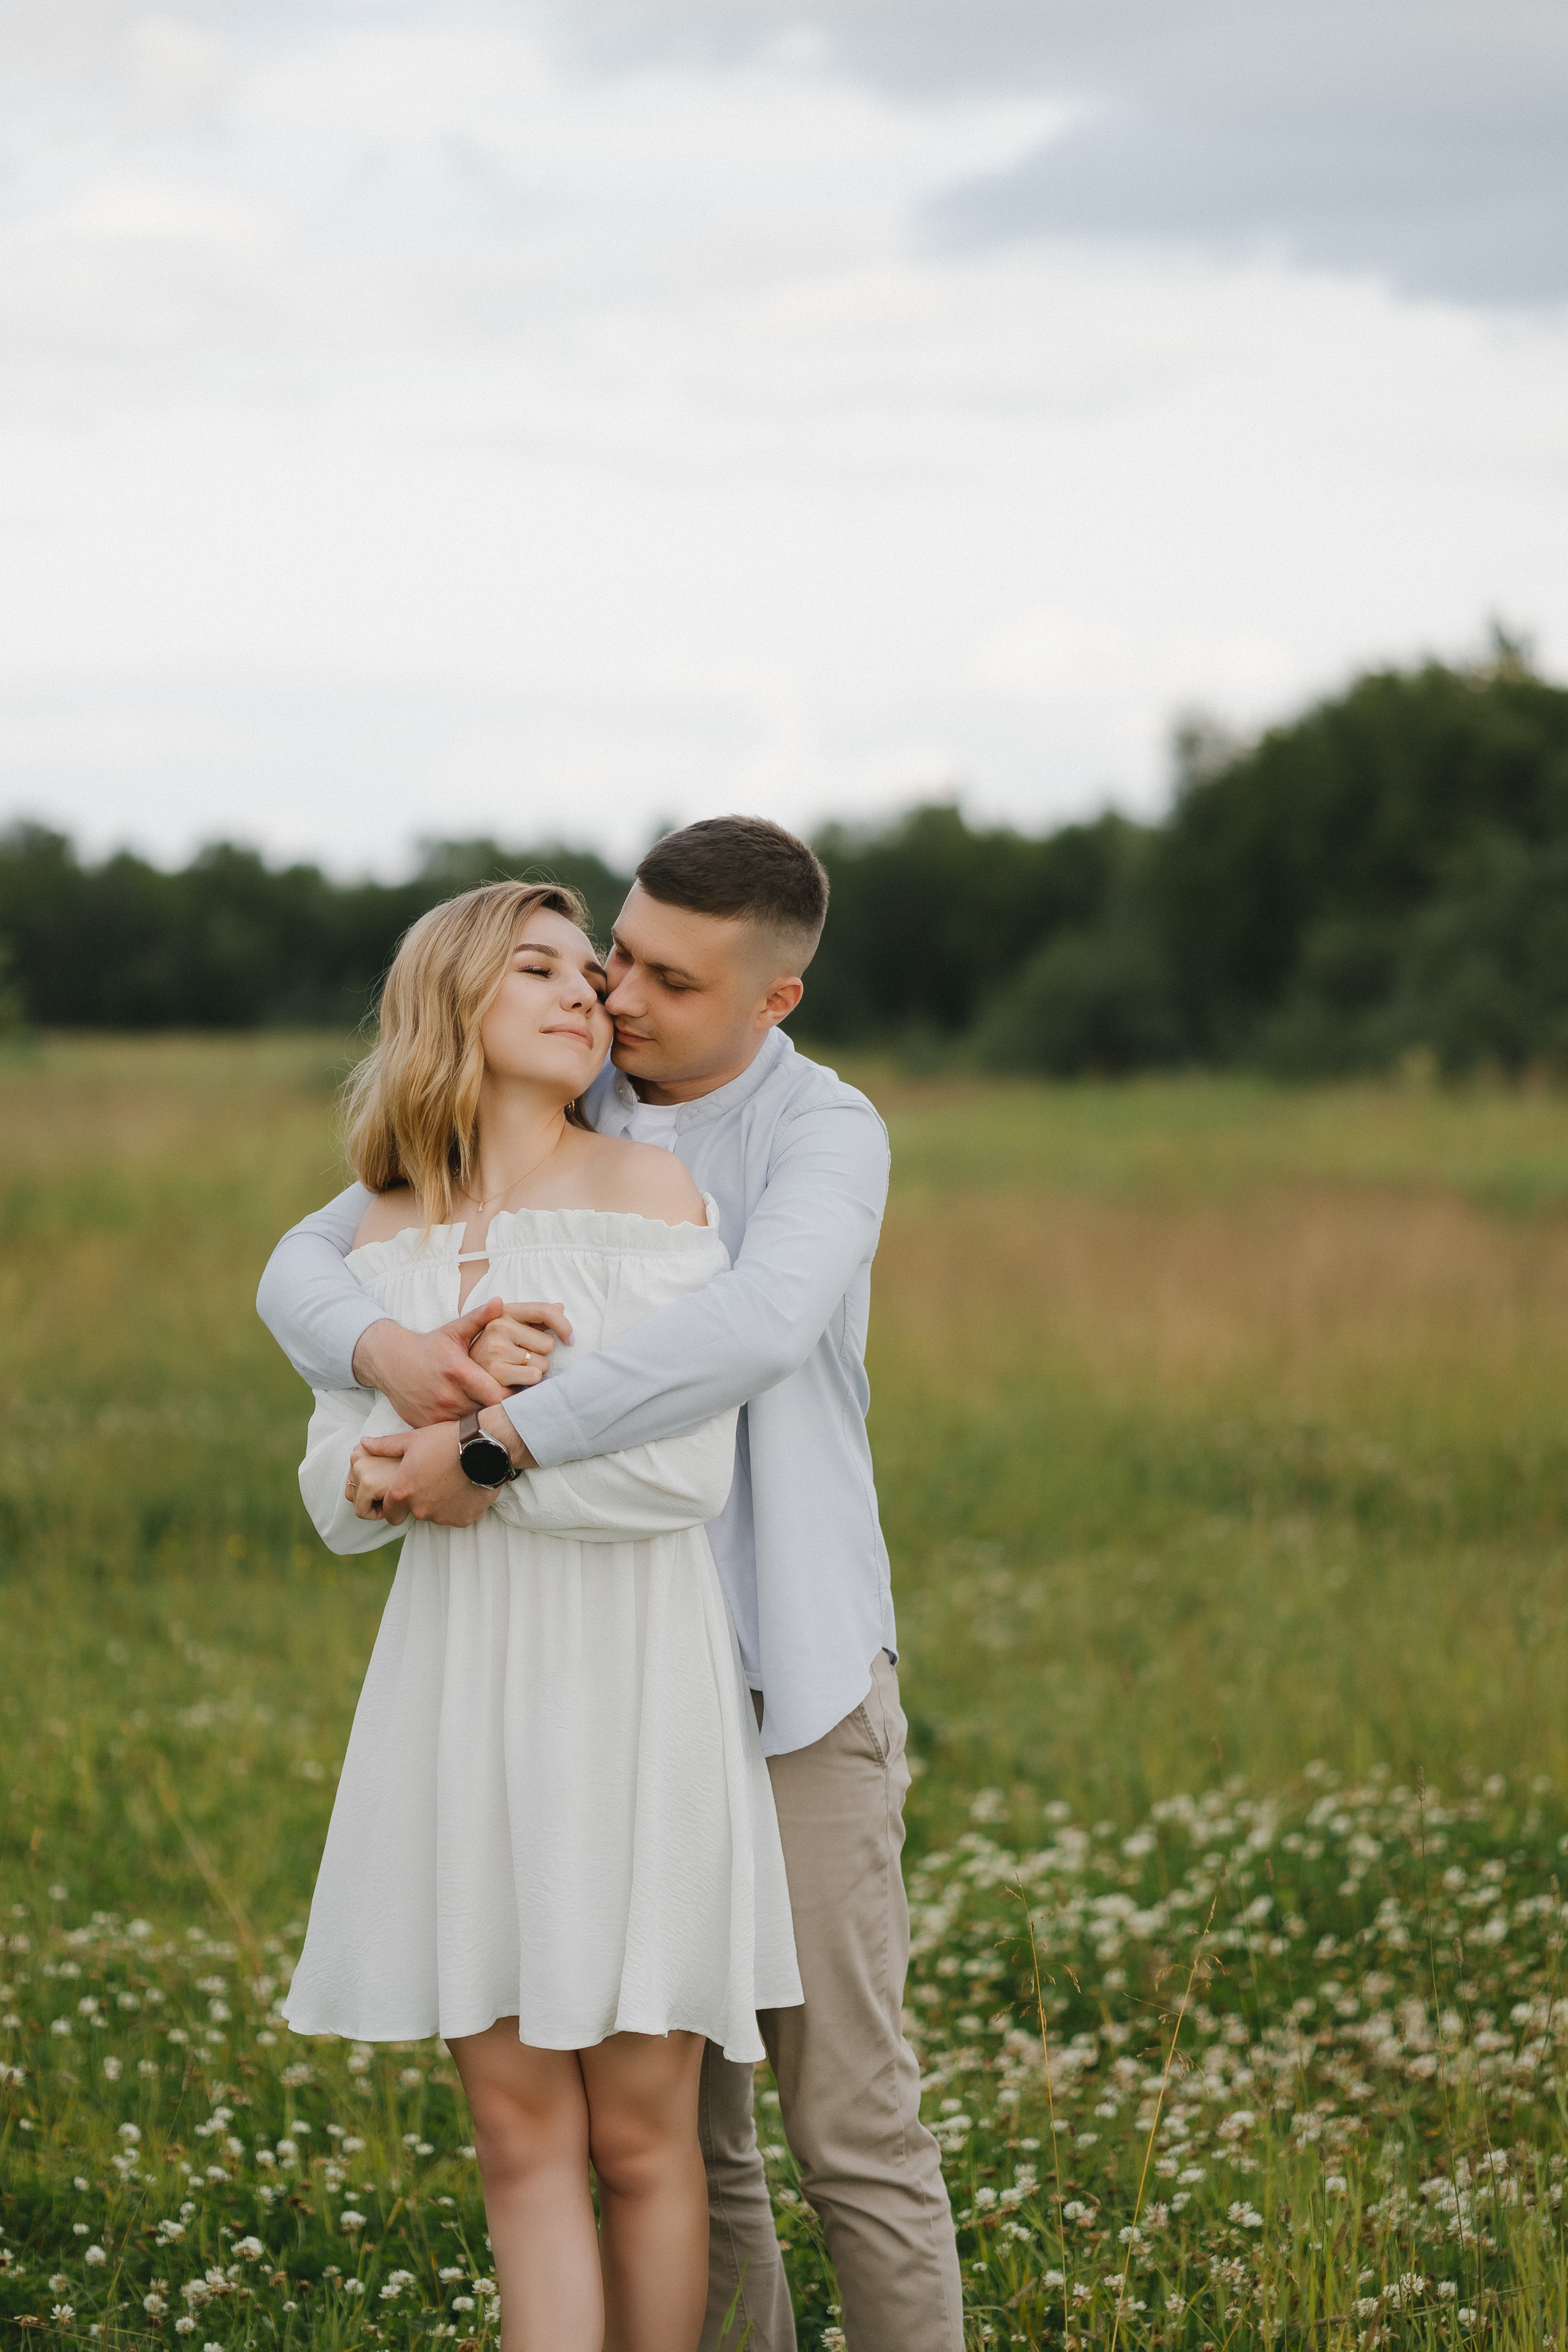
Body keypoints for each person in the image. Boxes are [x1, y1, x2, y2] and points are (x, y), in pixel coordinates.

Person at [258, 816, 965, 2352]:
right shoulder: (574, 1081)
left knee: (846, 2128)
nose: (618, 999)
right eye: (610, 958)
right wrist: (396, 1365)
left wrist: (489, 1447)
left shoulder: (818, 1132)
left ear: (773, 1001)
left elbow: (758, 1328)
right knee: (688, 2153)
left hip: (781, 1676)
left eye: (664, 979)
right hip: (574, 1691)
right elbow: (314, 1261)